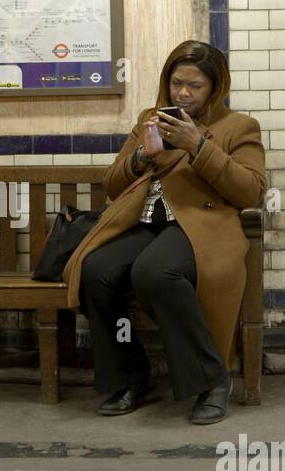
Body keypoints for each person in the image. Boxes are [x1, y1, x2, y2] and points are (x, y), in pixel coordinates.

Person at [63, 40, 266, 424]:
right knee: (95, 271)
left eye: (195, 86)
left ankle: (212, 380)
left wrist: (198, 146)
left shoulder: (238, 127)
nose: (183, 94)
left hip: (201, 225)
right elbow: (111, 183)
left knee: (154, 271)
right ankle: (132, 377)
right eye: (176, 84)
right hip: (144, 222)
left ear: (215, 88)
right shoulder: (149, 120)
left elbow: (251, 189)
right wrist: (142, 156)